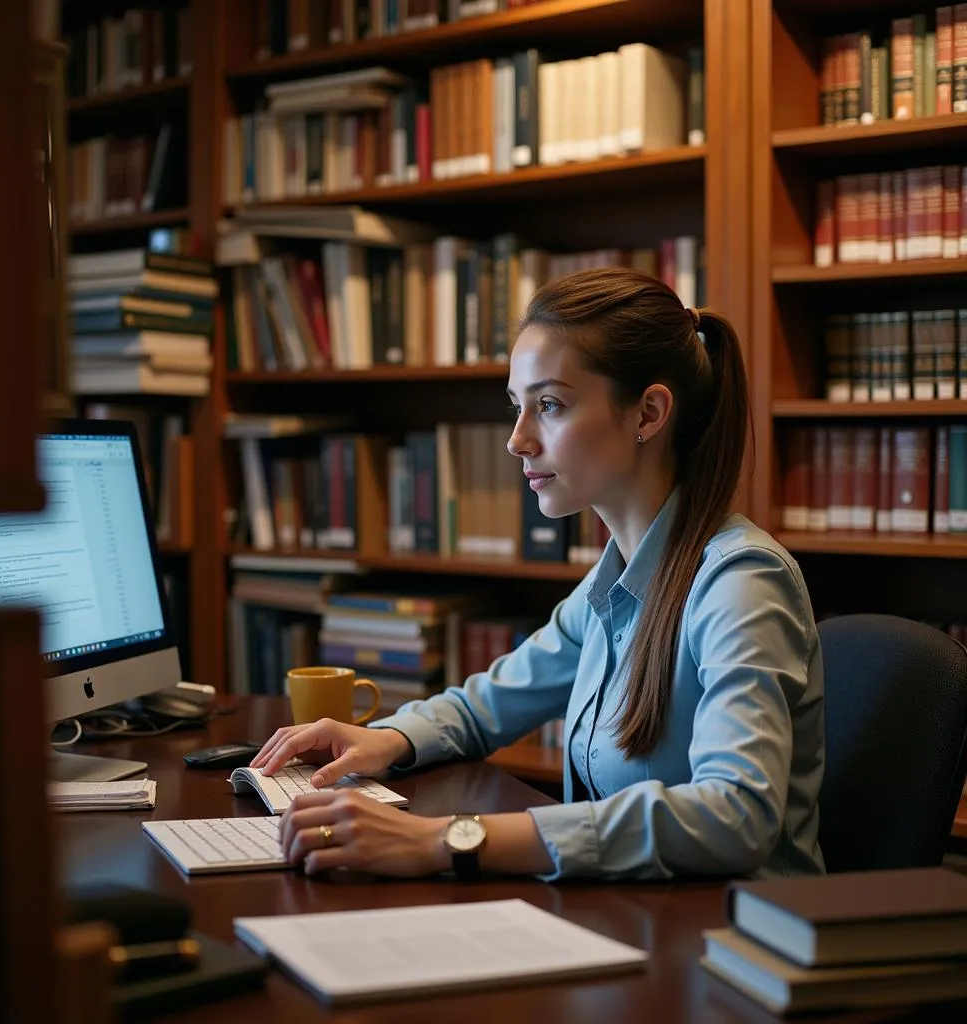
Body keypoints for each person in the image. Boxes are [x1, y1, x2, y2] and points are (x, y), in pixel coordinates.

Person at [251, 266, 826, 883]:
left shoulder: (740, 580)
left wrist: (450, 840)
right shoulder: (616, 582)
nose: (518, 441)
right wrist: (386, 740)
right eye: (517, 407)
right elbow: (486, 706)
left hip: (737, 951)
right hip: (640, 918)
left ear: (649, 413)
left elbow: (736, 814)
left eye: (549, 405)